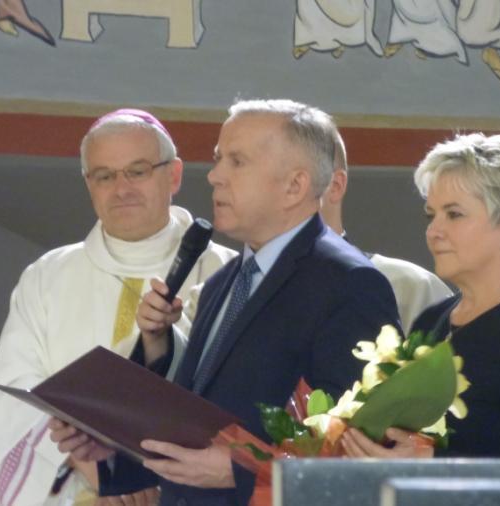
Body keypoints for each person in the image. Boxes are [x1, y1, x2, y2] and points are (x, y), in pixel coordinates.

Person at [52, 99, 401, 505]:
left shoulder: (349, 283)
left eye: (237, 161)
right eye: (218, 159)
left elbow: (360, 449)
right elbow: (193, 433)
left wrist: (240, 473)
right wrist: (111, 450)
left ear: (294, 186)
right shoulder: (224, 281)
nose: (214, 176)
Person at [0, 109, 237, 506]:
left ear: (174, 175)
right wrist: (93, 467)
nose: (121, 188)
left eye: (138, 171)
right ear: (89, 185)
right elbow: (12, 395)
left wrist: (145, 477)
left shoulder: (226, 273)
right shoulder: (47, 276)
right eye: (104, 176)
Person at [341, 133, 500, 459]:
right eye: (431, 215)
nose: (434, 231)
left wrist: (432, 464)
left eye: (454, 214)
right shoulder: (432, 320)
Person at [320, 130, 451, 335]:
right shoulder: (260, 285)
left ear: (335, 186)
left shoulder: (411, 287)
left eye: (455, 214)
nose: (434, 232)